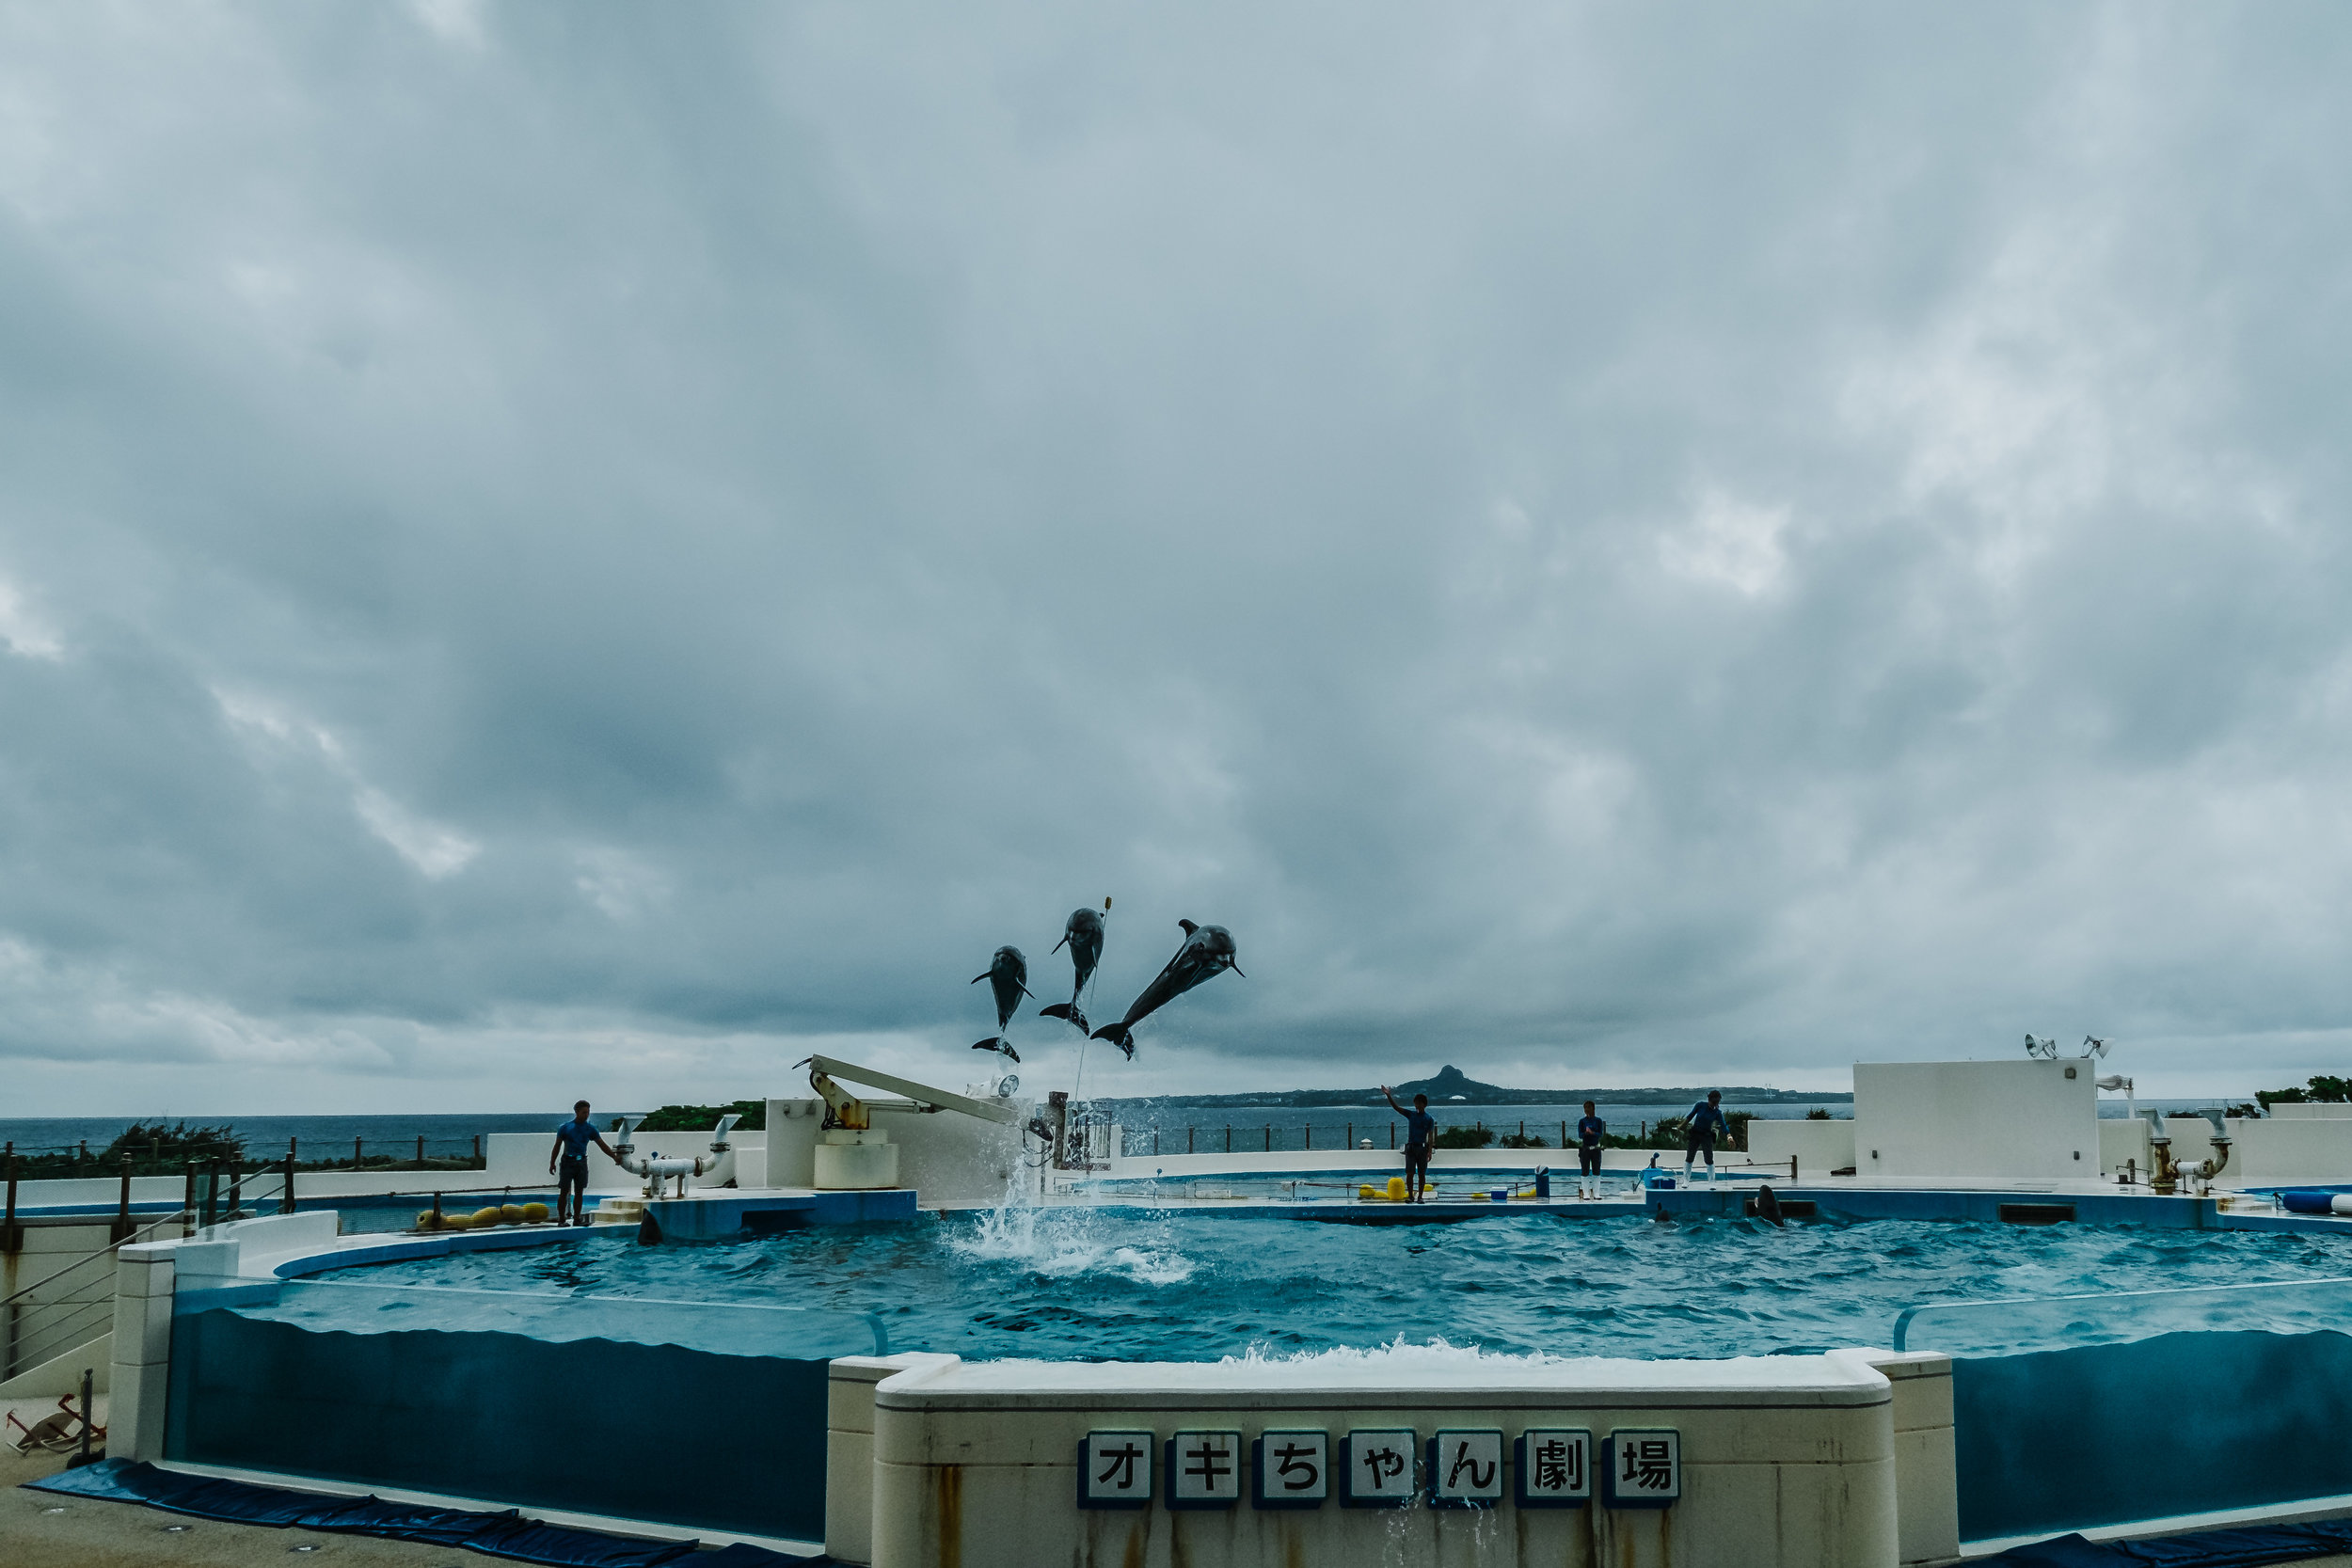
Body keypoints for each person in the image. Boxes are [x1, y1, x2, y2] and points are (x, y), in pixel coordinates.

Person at [548, 1101, 623, 1226]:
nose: (586, 1115)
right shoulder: (565, 1127)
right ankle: (561, 1219)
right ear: (576, 1112)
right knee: (564, 1191)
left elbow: (602, 1144)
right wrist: (552, 1163)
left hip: (582, 1162)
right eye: (584, 1112)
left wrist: (614, 1157)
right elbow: (557, 1146)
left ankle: (577, 1219)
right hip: (568, 1161)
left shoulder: (590, 1129)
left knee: (579, 1191)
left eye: (588, 1112)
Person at [1381, 1085, 1438, 1203]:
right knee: (1410, 1173)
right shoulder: (1411, 1114)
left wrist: (1429, 1151)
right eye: (1415, 1103)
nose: (1416, 1106)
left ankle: (1420, 1196)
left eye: (1418, 1103)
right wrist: (1388, 1095)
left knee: (1422, 1174)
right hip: (1411, 1148)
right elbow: (1396, 1108)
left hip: (1422, 1148)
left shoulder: (1429, 1119)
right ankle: (1411, 1196)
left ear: (1424, 1105)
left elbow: (1430, 1136)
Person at [1683, 1090, 1728, 1182]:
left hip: (1706, 1135)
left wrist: (1729, 1136)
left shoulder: (1717, 1112)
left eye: (1716, 1103)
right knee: (1690, 1157)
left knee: (1709, 1158)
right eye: (1713, 1102)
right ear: (1709, 1099)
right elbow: (1690, 1116)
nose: (1714, 1105)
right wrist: (1682, 1125)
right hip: (1695, 1133)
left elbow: (1723, 1125)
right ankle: (1686, 1180)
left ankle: (1711, 1181)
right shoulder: (1700, 1105)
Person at [1575, 1100, 1607, 1199]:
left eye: (1588, 1107)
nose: (1586, 1109)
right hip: (1585, 1148)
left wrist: (1592, 1133)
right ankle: (1586, 1193)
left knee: (1596, 1170)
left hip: (1596, 1148)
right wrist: (1586, 1133)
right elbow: (1580, 1135)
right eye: (1585, 1108)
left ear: (1593, 1108)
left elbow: (1600, 1134)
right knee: (1585, 1171)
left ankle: (1596, 1193)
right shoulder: (1582, 1121)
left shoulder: (1598, 1120)